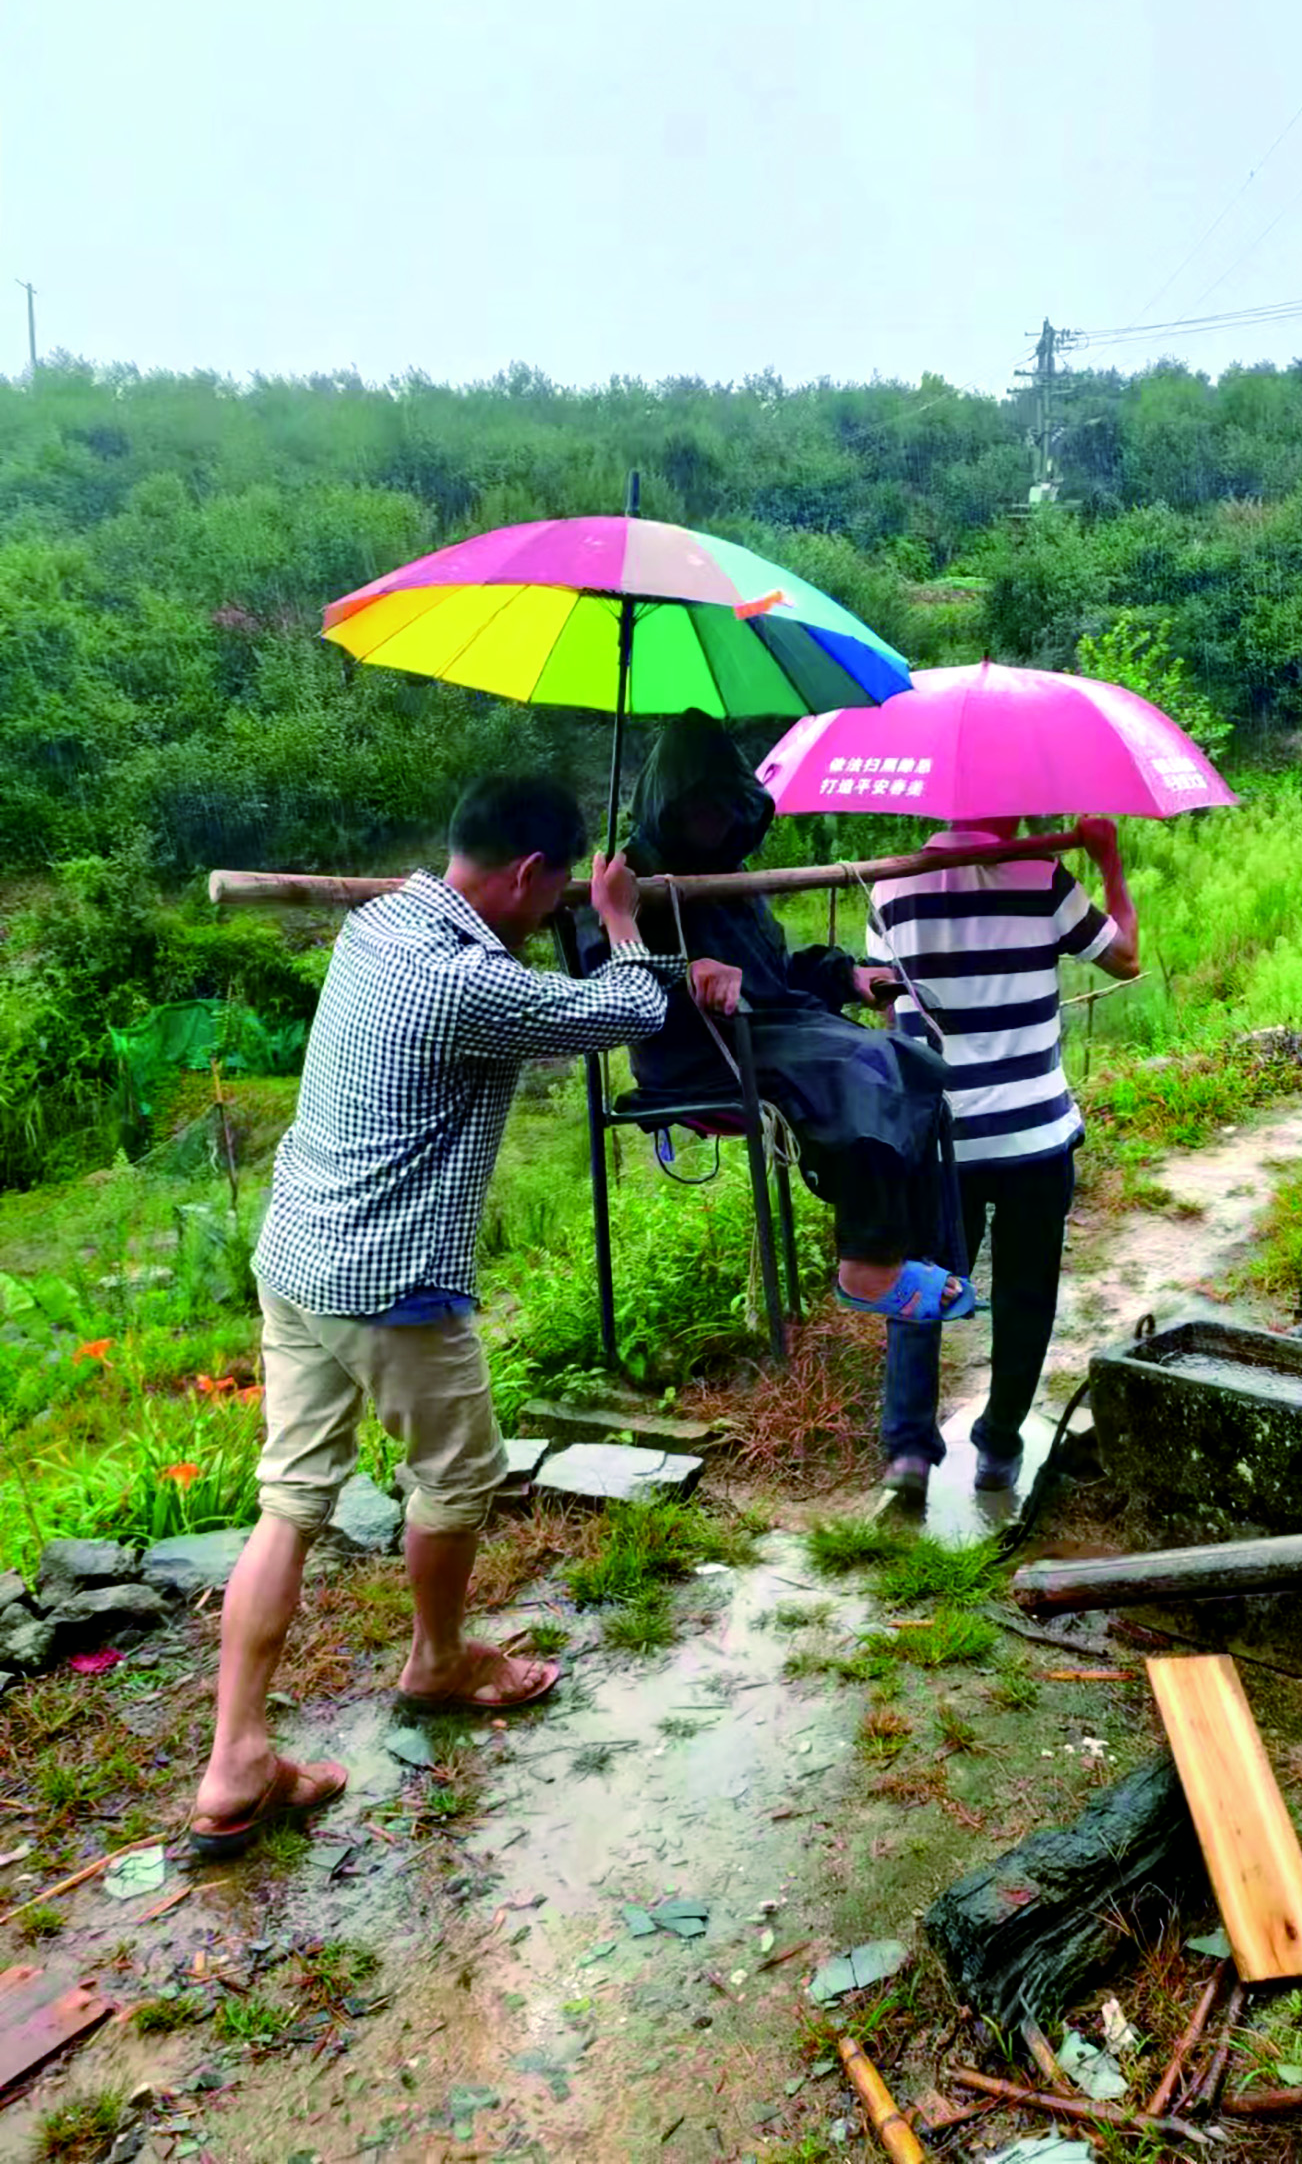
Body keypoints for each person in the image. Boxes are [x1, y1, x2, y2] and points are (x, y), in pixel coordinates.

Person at [188, 776, 740, 1859]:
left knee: (290, 1498)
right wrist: (624, 921)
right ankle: (437, 1660)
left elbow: (547, 977)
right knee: (460, 1473)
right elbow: (622, 1015)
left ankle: (234, 1757)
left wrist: (685, 959)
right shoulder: (461, 982)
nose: (556, 913)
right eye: (557, 895)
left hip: (297, 1253)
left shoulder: (384, 919)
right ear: (531, 874)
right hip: (387, 1277)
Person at [612, 710, 969, 1323]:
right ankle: (866, 1266)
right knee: (861, 1065)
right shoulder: (629, 877)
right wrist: (686, 967)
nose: (716, 822)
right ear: (669, 804)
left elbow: (773, 974)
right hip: (697, 1051)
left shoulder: (733, 873)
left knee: (914, 1065)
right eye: (701, 808)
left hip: (769, 1025)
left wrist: (846, 976)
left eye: (726, 807)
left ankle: (919, 1251)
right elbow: (609, 982)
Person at [868, 813, 1140, 1496]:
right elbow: (1125, 958)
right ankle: (996, 1445)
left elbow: (891, 1011)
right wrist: (1108, 859)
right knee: (1025, 1292)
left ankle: (906, 1451)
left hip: (938, 1138)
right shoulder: (1043, 877)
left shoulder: (889, 890)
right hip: (1034, 1138)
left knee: (920, 1287)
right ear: (1008, 802)